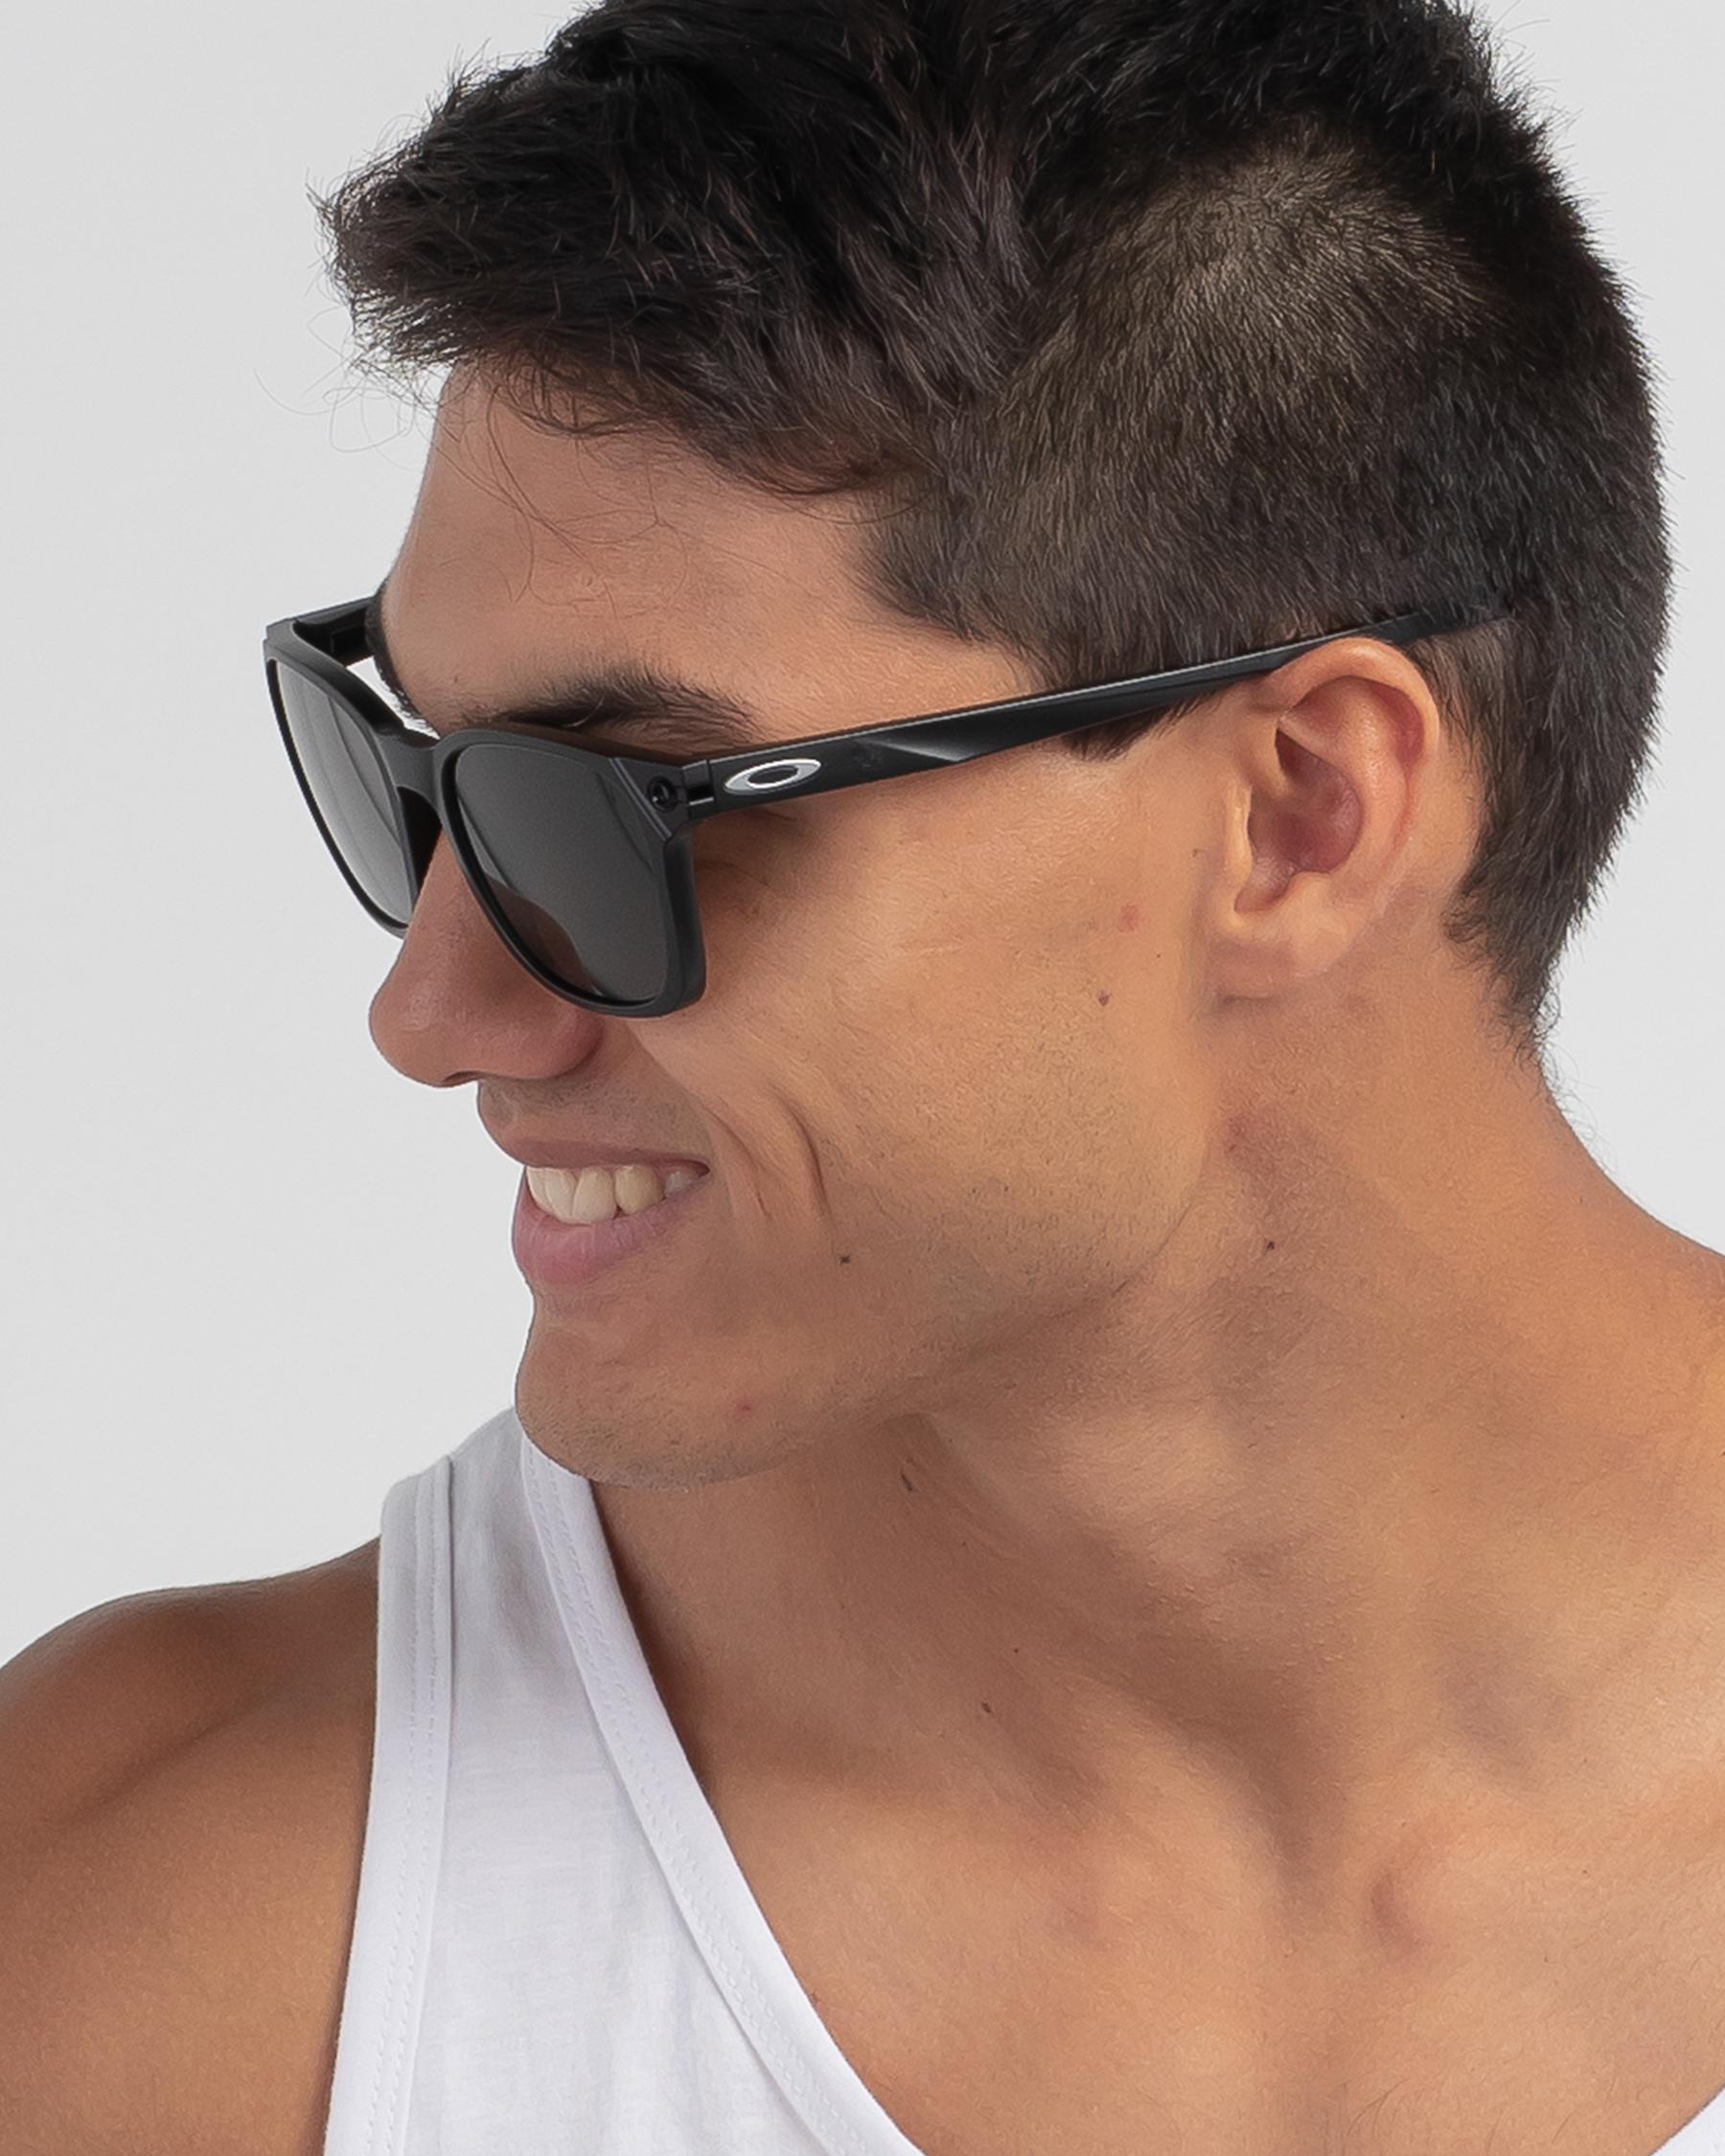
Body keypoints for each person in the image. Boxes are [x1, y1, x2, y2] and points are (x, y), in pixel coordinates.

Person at [6, 0, 1724, 2149]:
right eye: (413, 780)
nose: (434, 1011)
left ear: (1299, 815)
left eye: (613, 815)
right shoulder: (142, 1944)